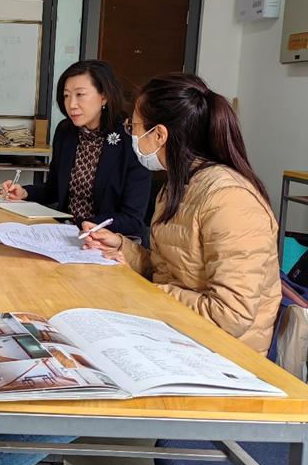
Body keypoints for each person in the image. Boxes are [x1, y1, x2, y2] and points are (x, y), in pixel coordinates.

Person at [83, 73, 281, 354]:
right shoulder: (178, 185)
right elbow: (170, 270)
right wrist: (123, 248)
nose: (132, 135)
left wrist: (148, 294)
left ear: (159, 135)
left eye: (133, 127)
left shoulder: (230, 200)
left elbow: (230, 316)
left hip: (224, 355)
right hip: (178, 332)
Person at [2, 60, 151, 239]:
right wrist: (25, 192)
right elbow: (54, 189)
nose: (71, 104)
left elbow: (132, 219)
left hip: (107, 241)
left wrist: (83, 225)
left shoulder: (130, 138)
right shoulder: (66, 131)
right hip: (64, 234)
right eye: (66, 96)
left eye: (80, 94)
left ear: (104, 96)